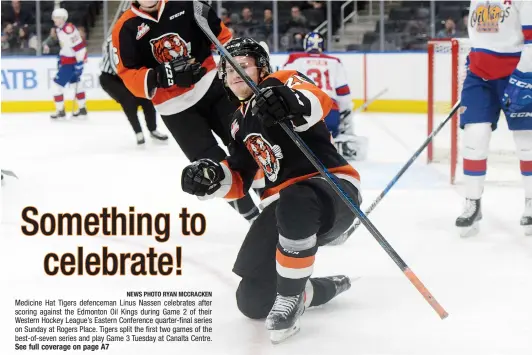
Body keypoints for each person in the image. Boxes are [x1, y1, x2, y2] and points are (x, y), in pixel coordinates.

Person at [180, 38, 361, 343]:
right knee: (252, 301)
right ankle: (310, 290)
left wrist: (289, 102)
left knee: (297, 195)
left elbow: (317, 100)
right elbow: (239, 174)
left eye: (244, 63)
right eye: (227, 67)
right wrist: (211, 177)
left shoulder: (282, 80)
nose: (235, 71)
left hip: (332, 188)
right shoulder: (237, 121)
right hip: (281, 207)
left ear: (262, 67)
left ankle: (290, 297)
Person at [111, 0, 259, 223]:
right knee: (212, 169)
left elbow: (224, 38)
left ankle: (274, 203)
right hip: (175, 109)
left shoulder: (189, 5)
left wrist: (243, 64)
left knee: (249, 144)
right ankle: (255, 219)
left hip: (214, 88)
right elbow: (127, 74)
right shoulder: (125, 27)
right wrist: (161, 76)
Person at [456, 1, 532, 237]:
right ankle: (472, 202)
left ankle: (531, 200)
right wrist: (472, 63)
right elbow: (478, 38)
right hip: (479, 78)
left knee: (527, 144)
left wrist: (523, 77)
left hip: (518, 75)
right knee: (474, 139)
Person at [283, 32, 367, 160]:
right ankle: (337, 144)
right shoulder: (334, 61)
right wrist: (345, 114)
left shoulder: (295, 59)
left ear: (306, 45)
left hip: (304, 113)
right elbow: (343, 92)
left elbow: (282, 86)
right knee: (329, 135)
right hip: (330, 113)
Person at [100, 34, 168, 145]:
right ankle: (138, 132)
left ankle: (152, 129)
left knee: (146, 95)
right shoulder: (112, 41)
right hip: (110, 78)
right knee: (128, 100)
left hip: (126, 75)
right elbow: (115, 65)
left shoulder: (133, 37)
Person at [49, 8, 88, 120]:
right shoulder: (59, 29)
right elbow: (65, 46)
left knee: (56, 86)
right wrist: (61, 57)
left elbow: (79, 47)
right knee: (76, 84)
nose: (54, 20)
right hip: (67, 61)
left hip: (71, 63)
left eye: (56, 18)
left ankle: (60, 111)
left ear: (62, 18)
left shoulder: (68, 29)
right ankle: (82, 109)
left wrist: (80, 62)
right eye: (54, 17)